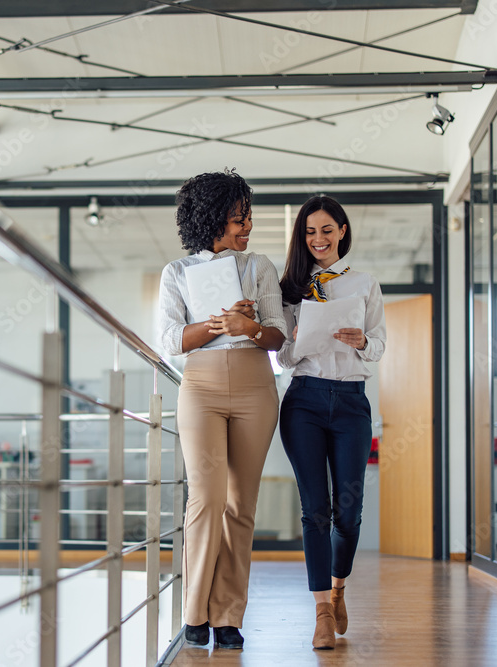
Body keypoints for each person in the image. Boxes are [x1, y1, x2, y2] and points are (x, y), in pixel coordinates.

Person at [158, 170, 286, 650]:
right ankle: (195, 611)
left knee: (240, 506)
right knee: (205, 499)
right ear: (212, 219)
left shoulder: (260, 266)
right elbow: (172, 341)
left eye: (247, 217)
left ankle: (228, 615)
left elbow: (278, 333)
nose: (246, 227)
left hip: (256, 386)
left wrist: (248, 326)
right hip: (203, 387)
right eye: (238, 219)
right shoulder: (178, 273)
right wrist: (216, 325)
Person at [276, 195, 386, 650]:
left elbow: (378, 347)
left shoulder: (364, 283)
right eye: (309, 231)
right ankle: (321, 611)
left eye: (326, 229)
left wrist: (362, 340)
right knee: (314, 510)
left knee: (349, 512)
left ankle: (339, 588)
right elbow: (282, 358)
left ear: (342, 230)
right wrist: (299, 338)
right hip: (304, 399)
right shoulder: (291, 288)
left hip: (351, 402)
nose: (318, 239)